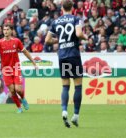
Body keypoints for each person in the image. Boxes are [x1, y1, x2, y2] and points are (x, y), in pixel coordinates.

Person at [45, 0, 88, 128]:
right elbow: (79, 33)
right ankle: (75, 115)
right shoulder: (76, 19)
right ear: (72, 8)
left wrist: (58, 40)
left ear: (62, 8)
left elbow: (47, 40)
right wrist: (85, 37)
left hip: (62, 55)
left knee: (65, 86)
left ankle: (64, 110)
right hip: (74, 55)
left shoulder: (55, 22)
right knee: (78, 86)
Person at [0, 24, 38, 113]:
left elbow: (25, 52)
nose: (5, 31)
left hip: (16, 68)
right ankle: (19, 108)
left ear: (11, 31)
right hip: (6, 70)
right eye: (4, 29)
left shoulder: (17, 41)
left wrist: (34, 63)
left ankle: (23, 98)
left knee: (18, 89)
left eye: (7, 29)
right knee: (12, 90)